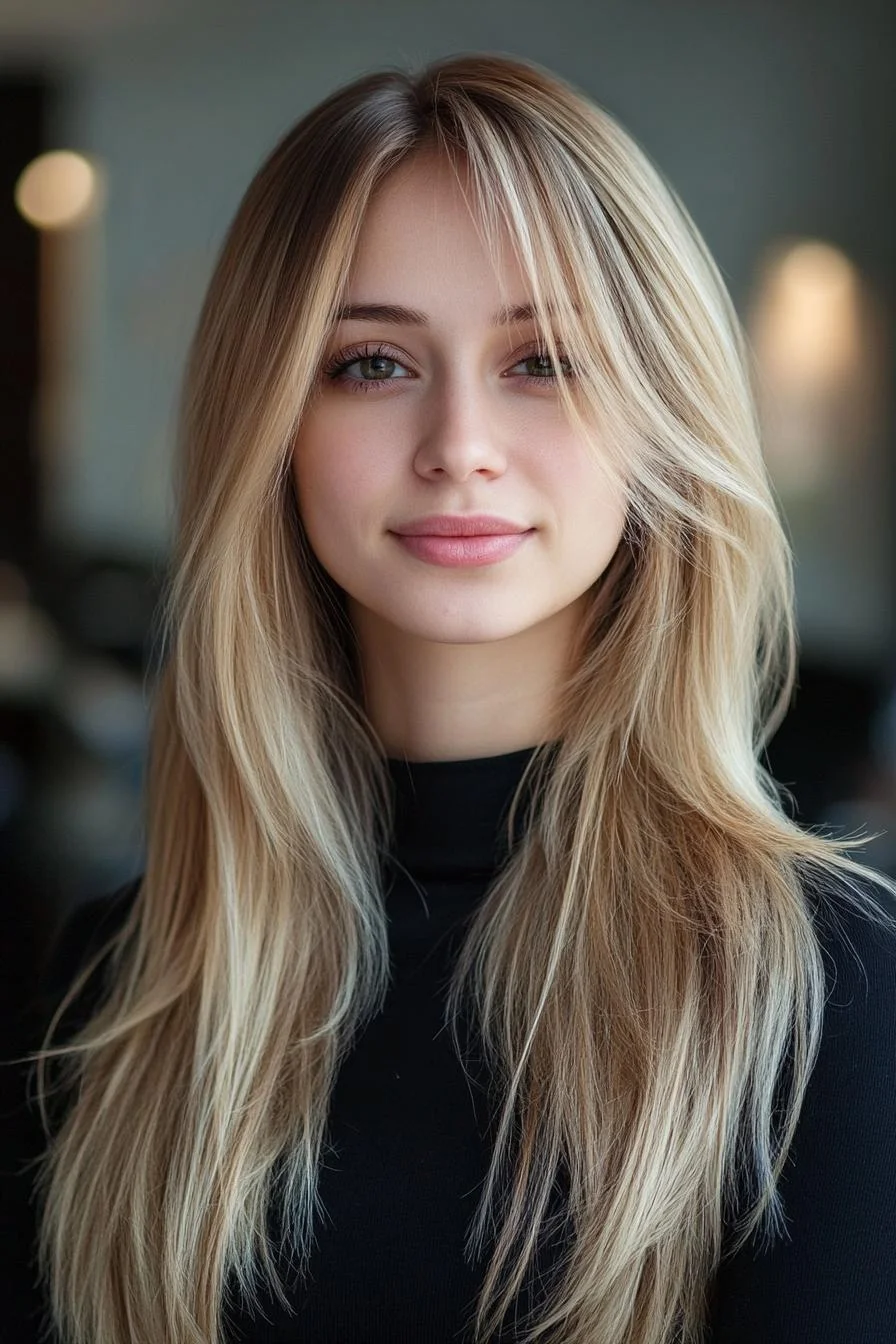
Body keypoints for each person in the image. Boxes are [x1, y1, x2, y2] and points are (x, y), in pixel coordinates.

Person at [19, 52, 896, 1344]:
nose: (460, 443)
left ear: (658, 419)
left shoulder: (820, 988)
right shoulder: (122, 979)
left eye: (543, 360)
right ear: (272, 423)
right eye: (372, 363)